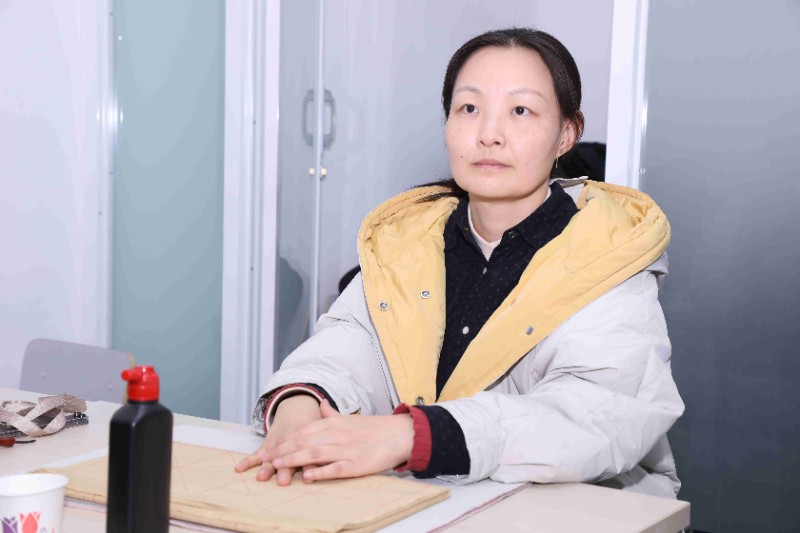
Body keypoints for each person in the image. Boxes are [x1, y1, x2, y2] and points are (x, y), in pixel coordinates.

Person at [235, 27, 684, 499]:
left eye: (521, 110)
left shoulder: (609, 257)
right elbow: (348, 345)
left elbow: (595, 415)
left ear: (566, 135)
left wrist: (414, 436)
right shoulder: (408, 245)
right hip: (438, 504)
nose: (489, 135)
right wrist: (301, 402)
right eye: (469, 108)